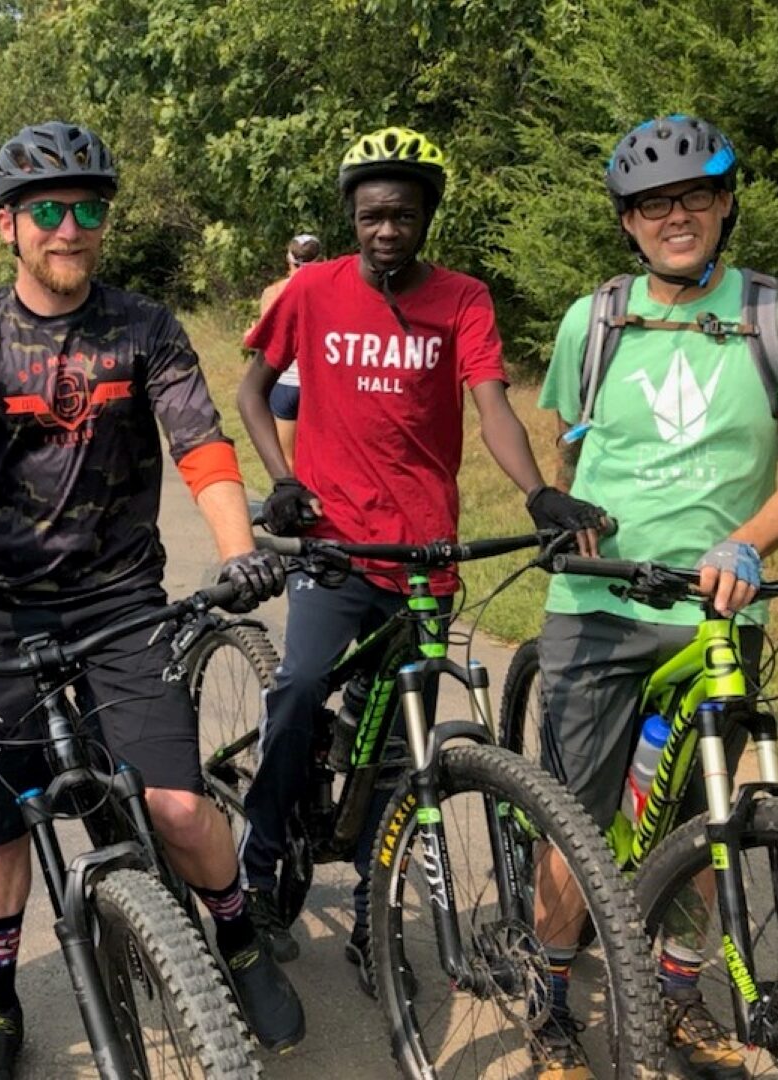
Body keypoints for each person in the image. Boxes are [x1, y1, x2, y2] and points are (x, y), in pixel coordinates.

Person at [0, 120, 303, 1079]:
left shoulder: (143, 326)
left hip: (122, 603)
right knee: (4, 827)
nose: (68, 229)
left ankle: (239, 940)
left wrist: (238, 551)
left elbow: (201, 445)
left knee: (179, 807)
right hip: (6, 609)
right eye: (47, 212)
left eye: (87, 210)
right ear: (8, 226)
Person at [234, 127, 604, 1003]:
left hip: (423, 555)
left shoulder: (462, 299)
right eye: (371, 216)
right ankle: (257, 864)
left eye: (402, 215)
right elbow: (252, 389)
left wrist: (538, 494)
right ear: (351, 218)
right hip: (335, 546)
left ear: (427, 217)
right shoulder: (313, 291)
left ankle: (375, 915)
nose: (386, 230)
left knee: (402, 751)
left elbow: (492, 406)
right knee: (298, 690)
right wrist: (282, 480)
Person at [532, 115, 776, 1080]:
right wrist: (567, 507)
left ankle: (677, 996)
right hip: (598, 603)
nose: (676, 217)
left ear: (725, 205)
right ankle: (550, 997)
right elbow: (569, 438)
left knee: (702, 820)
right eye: (652, 204)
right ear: (628, 223)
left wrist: (750, 540)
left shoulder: (769, 314)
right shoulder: (592, 319)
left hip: (717, 612)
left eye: (695, 196)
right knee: (576, 819)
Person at [255, 234, 323, 469]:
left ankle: (292, 494)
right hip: (319, 386)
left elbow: (265, 341)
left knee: (287, 460)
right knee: (320, 459)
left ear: (288, 258)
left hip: (285, 382)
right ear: (322, 259)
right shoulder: (332, 293)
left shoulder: (273, 292)